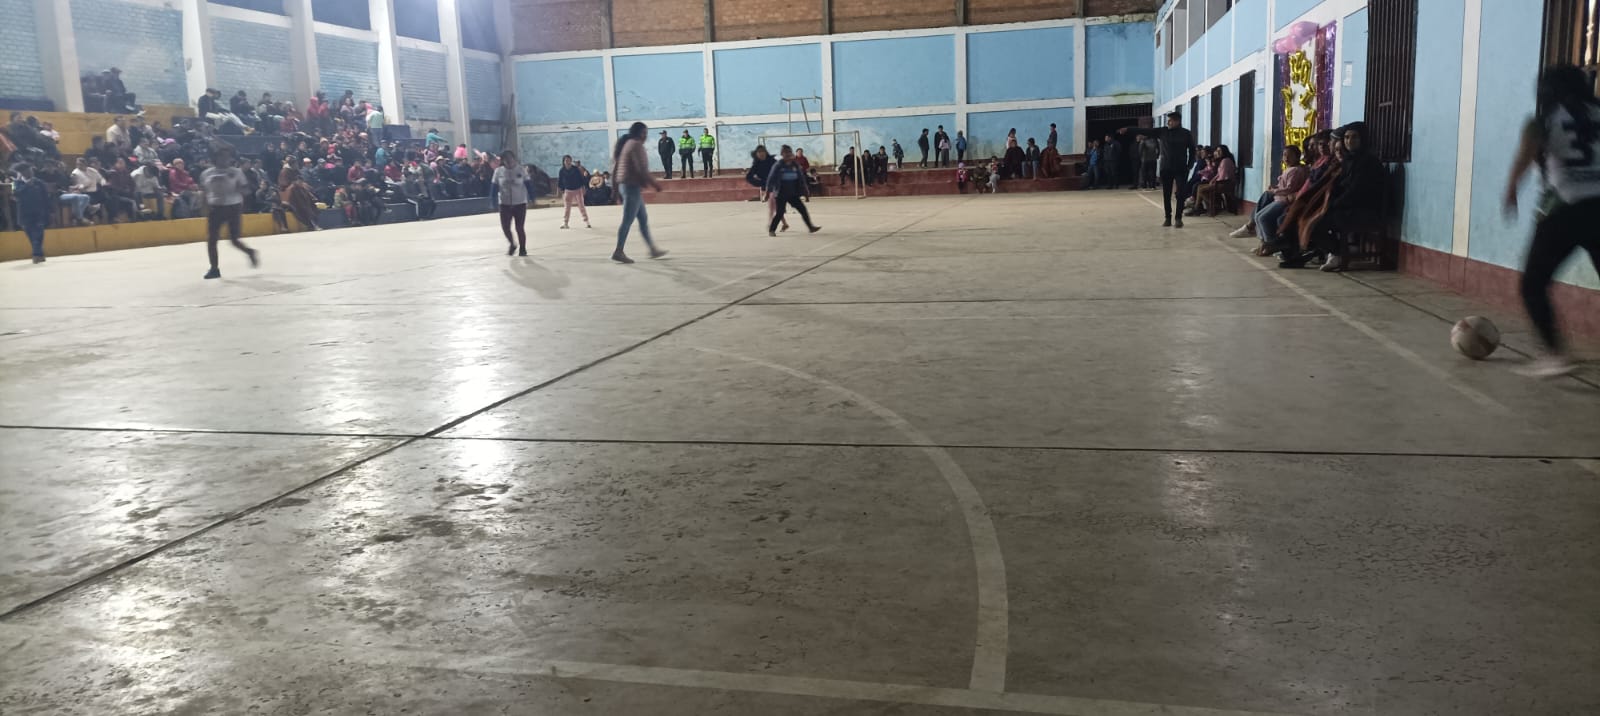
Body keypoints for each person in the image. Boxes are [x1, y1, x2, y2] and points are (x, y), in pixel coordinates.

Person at [1501, 66, 1600, 377]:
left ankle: (1555, 354)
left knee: (1533, 284)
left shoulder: (1542, 120)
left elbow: (1525, 156)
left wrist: (1511, 189)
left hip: (1564, 208)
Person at [611, 122, 667, 263]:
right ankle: (618, 250)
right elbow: (641, 169)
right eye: (644, 133)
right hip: (631, 187)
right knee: (627, 221)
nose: (645, 136)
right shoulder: (636, 145)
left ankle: (652, 249)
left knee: (643, 219)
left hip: (629, 186)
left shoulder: (628, 144)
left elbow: (617, 170)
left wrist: (616, 190)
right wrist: (655, 185)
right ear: (639, 133)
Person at [198, 150, 259, 279]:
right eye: (222, 157)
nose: (226, 159)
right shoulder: (206, 173)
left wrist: (241, 190)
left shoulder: (236, 172)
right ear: (215, 158)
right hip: (215, 207)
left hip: (233, 206)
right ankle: (214, 268)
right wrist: (204, 206)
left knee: (234, 240)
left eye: (227, 157)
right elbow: (204, 191)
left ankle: (250, 252)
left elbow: (246, 190)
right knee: (211, 240)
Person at [1234, 146, 1307, 251]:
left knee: (1262, 218)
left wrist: (1274, 191)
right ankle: (1263, 243)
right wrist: (1275, 188)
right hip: (1279, 198)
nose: (1286, 158)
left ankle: (1270, 245)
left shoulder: (1296, 170)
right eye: (1284, 155)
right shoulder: (1290, 169)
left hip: (1283, 201)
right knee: (1259, 215)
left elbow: (1290, 189)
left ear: (1297, 157)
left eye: (1289, 155)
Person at [764, 145, 820, 236]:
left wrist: (805, 191)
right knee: (780, 212)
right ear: (782, 154)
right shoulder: (778, 165)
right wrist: (767, 192)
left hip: (793, 193)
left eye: (789, 152)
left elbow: (801, 179)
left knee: (803, 209)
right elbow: (771, 179)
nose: (788, 154)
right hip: (781, 193)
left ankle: (811, 227)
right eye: (785, 152)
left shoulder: (795, 165)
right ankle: (772, 230)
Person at [1156, 111, 1197, 228]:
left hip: (1181, 168)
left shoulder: (1186, 134)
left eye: (1170, 120)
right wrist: (1128, 129)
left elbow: (1192, 150)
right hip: (1166, 168)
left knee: (1180, 194)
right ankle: (1167, 218)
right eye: (1167, 120)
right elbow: (1146, 131)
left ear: (1177, 121)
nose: (1168, 122)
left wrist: (1189, 165)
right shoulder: (1163, 132)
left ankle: (1178, 218)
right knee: (1166, 194)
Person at [12, 165, 50, 263]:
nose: (31, 172)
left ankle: (36, 255)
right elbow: (15, 194)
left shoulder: (39, 182)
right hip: (24, 214)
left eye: (31, 170)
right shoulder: (16, 183)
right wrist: (27, 185)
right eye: (28, 171)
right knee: (31, 236)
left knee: (38, 234)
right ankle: (40, 254)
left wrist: (50, 211)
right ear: (22, 172)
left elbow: (46, 198)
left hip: (39, 213)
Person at [747, 145, 786, 232]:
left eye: (763, 152)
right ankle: (784, 224)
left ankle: (770, 224)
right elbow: (749, 177)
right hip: (766, 186)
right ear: (756, 154)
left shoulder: (772, 161)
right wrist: (759, 183)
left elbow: (781, 170)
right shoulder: (756, 164)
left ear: (766, 152)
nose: (761, 154)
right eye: (759, 152)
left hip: (776, 185)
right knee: (775, 206)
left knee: (772, 205)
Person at [1192, 145, 1237, 217]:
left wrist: (1213, 182)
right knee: (1200, 187)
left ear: (1224, 152)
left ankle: (1202, 209)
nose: (1217, 152)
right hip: (1221, 183)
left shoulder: (1225, 161)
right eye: (1217, 151)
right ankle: (1208, 208)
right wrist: (1213, 180)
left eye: (1220, 151)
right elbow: (1218, 174)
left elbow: (1222, 177)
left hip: (1225, 184)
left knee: (1201, 188)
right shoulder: (1222, 160)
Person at [557, 155, 591, 230]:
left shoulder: (575, 169)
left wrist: (583, 187)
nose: (568, 162)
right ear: (563, 162)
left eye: (569, 160)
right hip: (568, 190)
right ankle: (565, 223)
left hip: (577, 190)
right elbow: (560, 181)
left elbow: (581, 178)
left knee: (581, 206)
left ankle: (587, 222)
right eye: (566, 160)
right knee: (567, 207)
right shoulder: (562, 170)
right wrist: (561, 190)